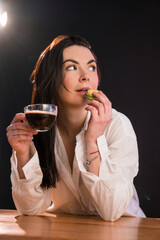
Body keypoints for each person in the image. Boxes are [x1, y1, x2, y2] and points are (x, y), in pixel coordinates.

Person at [6, 35, 145, 221]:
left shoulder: (118, 125)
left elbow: (111, 211)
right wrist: (23, 153)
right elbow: (30, 208)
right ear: (51, 78)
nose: (86, 75)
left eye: (91, 67)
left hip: (124, 229)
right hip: (66, 230)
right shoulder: (41, 128)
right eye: (71, 67)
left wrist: (92, 140)